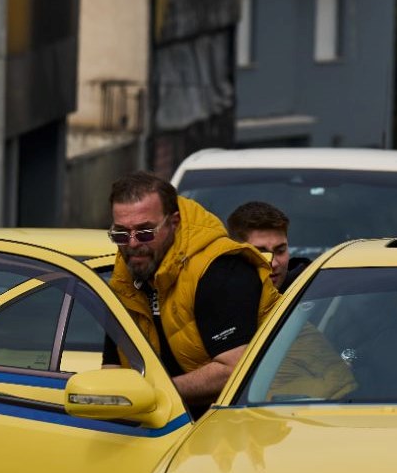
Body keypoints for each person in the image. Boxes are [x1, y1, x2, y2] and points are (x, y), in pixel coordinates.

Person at [103, 171, 279, 415]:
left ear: (173, 222)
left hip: (295, 408)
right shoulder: (127, 275)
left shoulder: (219, 268)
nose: (132, 244)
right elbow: (113, 367)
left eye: (145, 232)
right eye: (121, 234)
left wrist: (153, 393)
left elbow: (234, 369)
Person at [226, 201, 311, 292]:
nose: (273, 264)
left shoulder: (314, 292)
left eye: (280, 251)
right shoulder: (215, 298)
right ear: (236, 254)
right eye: (260, 253)